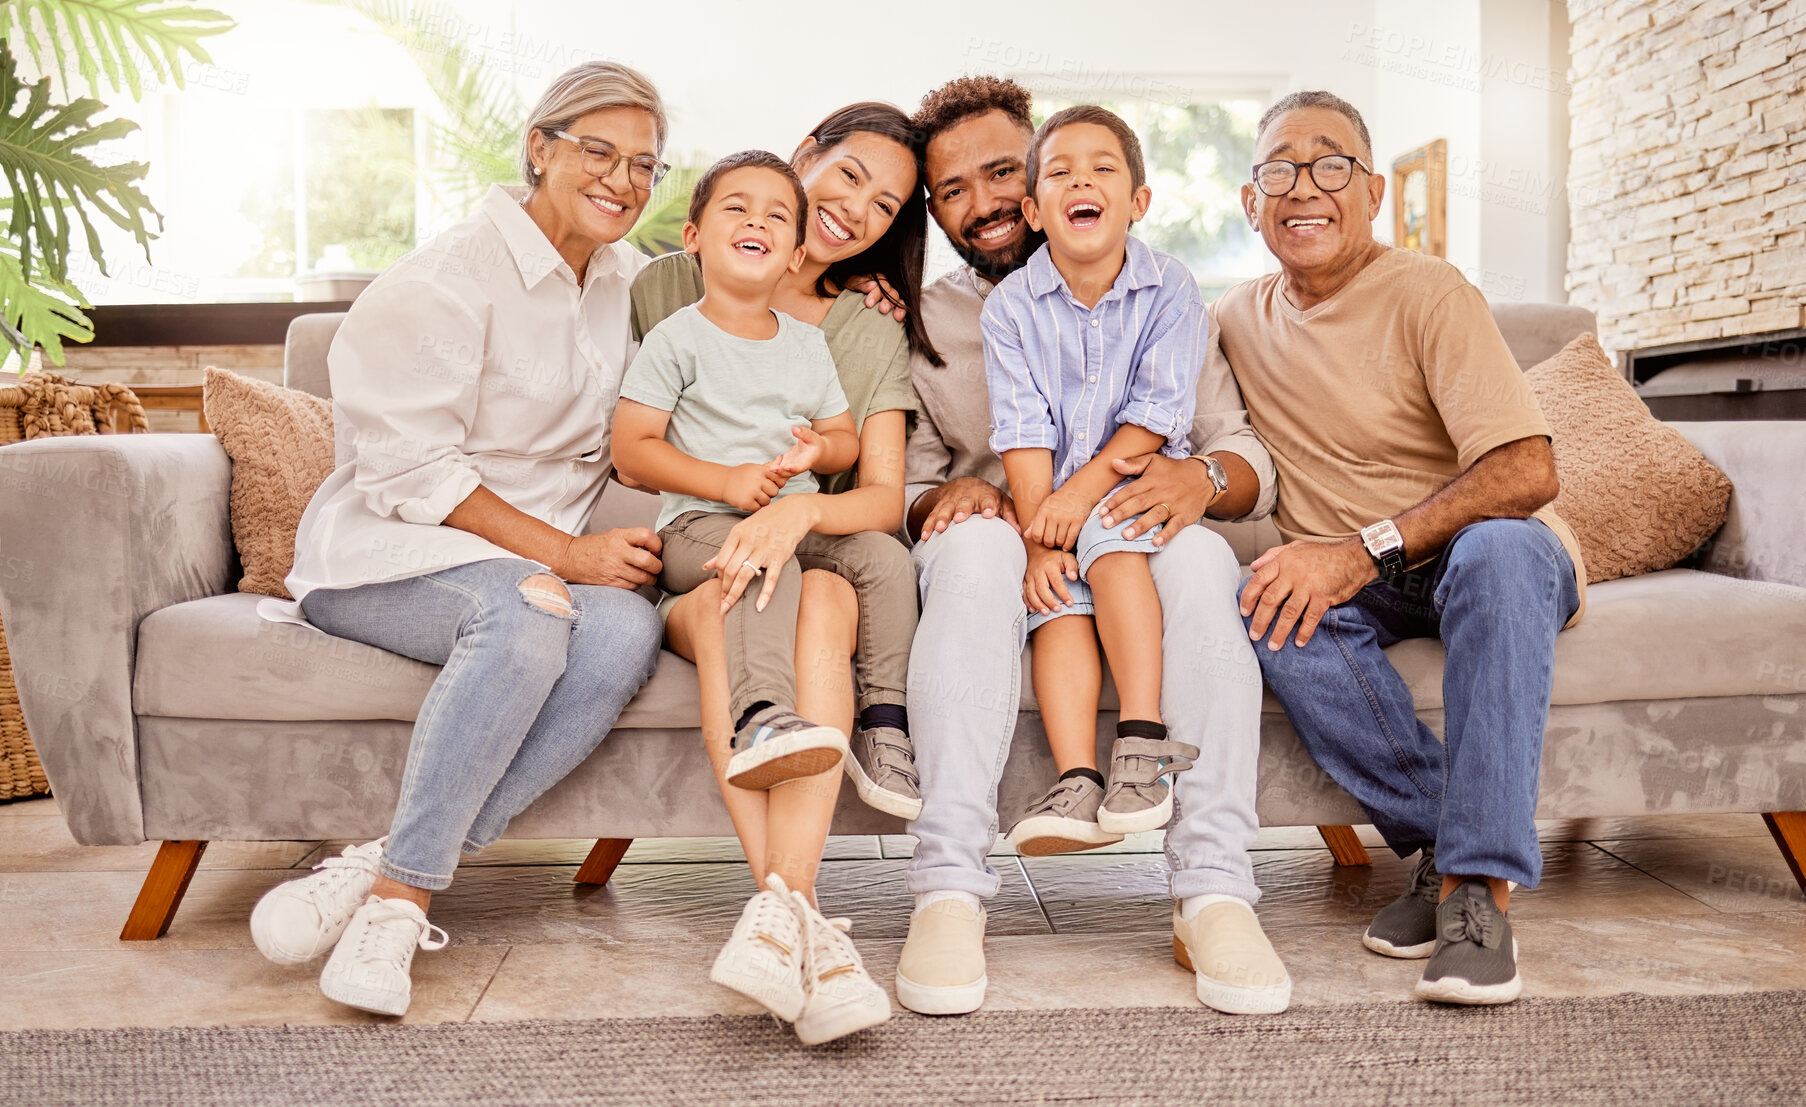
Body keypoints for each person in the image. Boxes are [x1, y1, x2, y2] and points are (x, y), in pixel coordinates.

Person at [247, 62, 671, 1017]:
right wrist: (563, 558)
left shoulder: (628, 280)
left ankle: (374, 863)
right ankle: (402, 906)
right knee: (526, 616)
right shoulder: (445, 279)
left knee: (625, 634)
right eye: (598, 151)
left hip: (530, 563)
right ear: (539, 147)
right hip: (388, 553)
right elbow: (412, 476)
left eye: (645, 163)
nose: (623, 180)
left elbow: (734, 308)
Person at [896, 76, 1292, 1018]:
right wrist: (949, 496)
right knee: (983, 550)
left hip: (1137, 514)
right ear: (935, 210)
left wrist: (1202, 482)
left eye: (1001, 171)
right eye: (955, 190)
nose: (985, 202)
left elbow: (1236, 446)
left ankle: (1215, 888)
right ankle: (948, 886)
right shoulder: (913, 315)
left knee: (1196, 556)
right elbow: (901, 481)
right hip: (1002, 536)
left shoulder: (1162, 290)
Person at [1224, 90, 1586, 1005]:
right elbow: (1111, 321)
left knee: (1499, 555)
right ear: (1249, 200)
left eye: (1332, 162)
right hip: (1373, 584)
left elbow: (1526, 471)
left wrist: (1360, 546)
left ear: (1373, 191)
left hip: (1491, 551)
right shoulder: (1231, 319)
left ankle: (1477, 893)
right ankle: (1443, 844)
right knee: (1267, 603)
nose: (1305, 185)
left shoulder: (1430, 290)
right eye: (1280, 167)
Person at [627, 103, 930, 1043]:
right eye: (845, 177)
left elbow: (874, 488)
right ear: (807, 159)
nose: (857, 211)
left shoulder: (858, 332)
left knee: (833, 587)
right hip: (704, 552)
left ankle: (782, 917)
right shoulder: (669, 288)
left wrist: (797, 498)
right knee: (742, 593)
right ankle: (803, 919)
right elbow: (631, 441)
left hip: (796, 547)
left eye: (885, 207)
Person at [983, 106, 1203, 855]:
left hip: (1133, 479)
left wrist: (1080, 498)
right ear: (1035, 212)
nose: (1082, 178)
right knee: (1055, 605)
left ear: (1138, 203)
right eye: (1061, 171)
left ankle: (1142, 742)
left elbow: (1156, 410)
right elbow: (1021, 429)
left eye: (1103, 167)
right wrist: (1041, 537)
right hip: (1047, 498)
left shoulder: (1171, 286)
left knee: (1112, 537)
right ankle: (1077, 778)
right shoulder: (1010, 306)